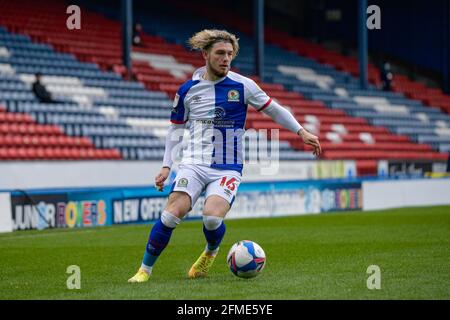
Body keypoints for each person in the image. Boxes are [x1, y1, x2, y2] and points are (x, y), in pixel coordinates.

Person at [128, 29, 321, 283]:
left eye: (230, 54)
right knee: (172, 212)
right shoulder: (188, 90)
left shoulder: (243, 85)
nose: (226, 58)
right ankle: (144, 270)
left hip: (227, 166)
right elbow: (176, 128)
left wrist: (301, 131)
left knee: (210, 218)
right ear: (205, 55)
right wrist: (167, 166)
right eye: (220, 53)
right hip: (193, 163)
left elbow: (273, 110)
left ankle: (211, 251)